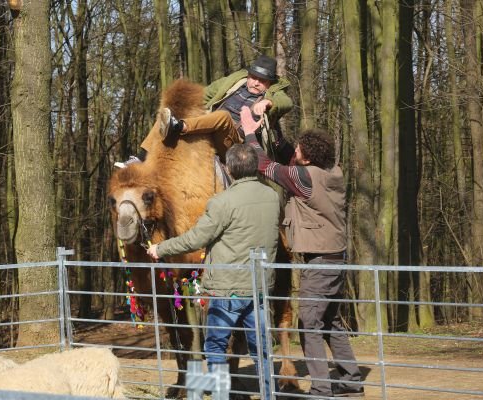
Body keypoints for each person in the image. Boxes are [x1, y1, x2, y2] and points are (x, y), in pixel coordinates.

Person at [240, 107, 364, 398]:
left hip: (319, 262)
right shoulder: (332, 173)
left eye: (298, 148)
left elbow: (264, 165)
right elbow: (287, 158)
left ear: (307, 157)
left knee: (308, 322)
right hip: (336, 258)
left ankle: (321, 389)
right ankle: (351, 381)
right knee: (330, 321)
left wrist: (249, 131)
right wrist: (272, 127)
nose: (293, 150)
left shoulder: (305, 179)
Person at [146, 143, 280, 399]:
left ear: (229, 168)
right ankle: (267, 394)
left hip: (226, 289)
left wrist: (161, 248)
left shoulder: (222, 202)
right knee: (261, 349)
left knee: (216, 346)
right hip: (259, 287)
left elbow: (196, 238)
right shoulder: (271, 197)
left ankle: (221, 395)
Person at [115, 54, 292, 168]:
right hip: (209, 128)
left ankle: (180, 127)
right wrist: (182, 105)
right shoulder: (234, 82)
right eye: (253, 77)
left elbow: (286, 102)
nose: (256, 83)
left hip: (236, 144)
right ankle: (140, 157)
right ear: (248, 75)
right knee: (171, 112)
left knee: (223, 117)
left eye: (262, 81)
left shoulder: (274, 94)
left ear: (270, 82)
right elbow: (205, 94)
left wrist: (268, 102)